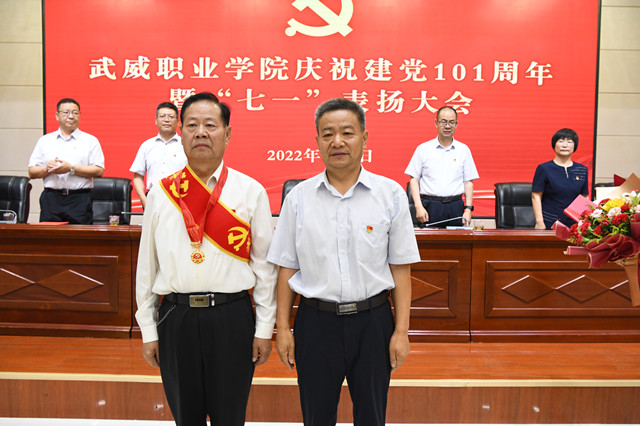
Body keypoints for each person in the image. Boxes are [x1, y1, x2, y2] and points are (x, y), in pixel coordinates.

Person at [267, 98, 420, 426]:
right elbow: (286, 268)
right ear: (317, 141)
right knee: (316, 417)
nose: (337, 141)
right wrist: (283, 330)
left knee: (372, 416)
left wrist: (401, 332)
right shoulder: (298, 199)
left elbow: (400, 268)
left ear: (364, 137)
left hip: (373, 322)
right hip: (315, 323)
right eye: (328, 134)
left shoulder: (390, 194)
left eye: (347, 133)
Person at [135, 92, 276, 426]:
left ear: (227, 133)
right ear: (180, 133)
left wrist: (264, 328)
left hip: (232, 318)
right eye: (192, 125)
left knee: (230, 417)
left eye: (210, 125)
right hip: (176, 318)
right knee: (186, 417)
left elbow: (265, 270)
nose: (201, 133)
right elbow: (146, 268)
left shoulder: (251, 191)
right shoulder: (161, 193)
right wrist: (148, 331)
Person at [27, 98, 105, 224]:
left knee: (80, 235)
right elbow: (32, 172)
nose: (71, 116)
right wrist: (46, 168)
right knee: (49, 235)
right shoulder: (45, 141)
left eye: (75, 113)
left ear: (80, 115)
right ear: (57, 116)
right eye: (66, 112)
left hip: (79, 199)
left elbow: (98, 171)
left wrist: (71, 168)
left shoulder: (90, 141)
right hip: (51, 198)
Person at [405, 106, 479, 227]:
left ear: (456, 124)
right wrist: (418, 207)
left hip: (456, 206)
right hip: (430, 206)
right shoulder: (423, 149)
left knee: (456, 239)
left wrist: (468, 209)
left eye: (452, 122)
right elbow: (413, 179)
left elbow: (468, 182)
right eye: (444, 122)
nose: (448, 126)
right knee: (430, 239)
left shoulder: (463, 150)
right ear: (436, 123)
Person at [129, 102, 187, 209]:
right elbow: (137, 177)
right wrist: (144, 200)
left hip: (180, 199)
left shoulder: (186, 145)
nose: (166, 120)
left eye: (171, 117)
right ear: (156, 120)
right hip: (153, 198)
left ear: (178, 121)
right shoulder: (147, 145)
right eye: (162, 116)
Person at [532, 128, 589, 230]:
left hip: (575, 223)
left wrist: (586, 222)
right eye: (561, 141)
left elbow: (584, 197)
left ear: (575, 146)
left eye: (569, 142)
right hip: (550, 222)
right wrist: (539, 222)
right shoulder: (544, 168)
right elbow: (536, 196)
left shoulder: (582, 169)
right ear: (554, 145)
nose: (565, 145)